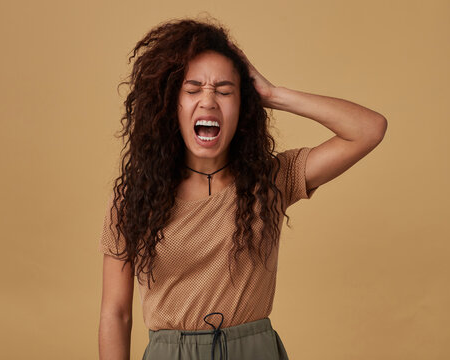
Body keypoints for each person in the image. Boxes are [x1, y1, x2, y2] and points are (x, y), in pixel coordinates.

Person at [98, 17, 387, 360]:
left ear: (243, 107)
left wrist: (272, 94)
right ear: (169, 105)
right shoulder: (135, 201)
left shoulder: (271, 180)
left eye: (224, 90)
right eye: (192, 89)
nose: (208, 101)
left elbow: (369, 129)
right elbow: (116, 314)